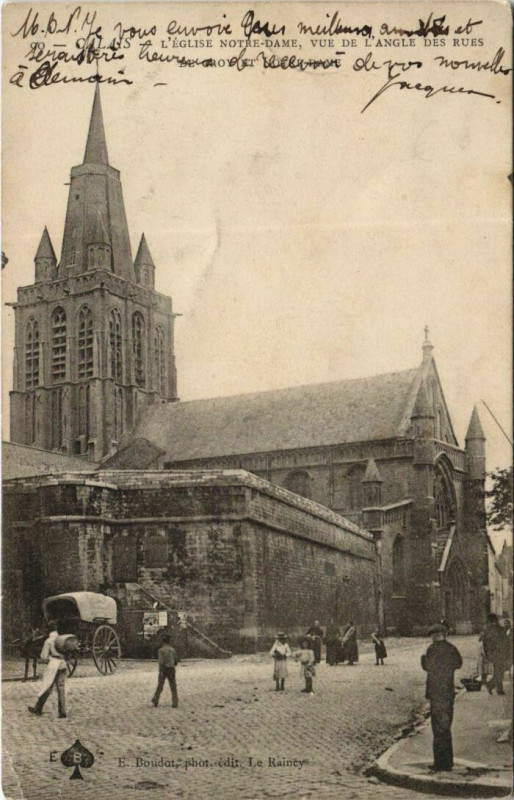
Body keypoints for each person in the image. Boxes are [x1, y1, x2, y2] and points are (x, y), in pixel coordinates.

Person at [421, 622, 462, 772]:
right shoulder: (451, 648)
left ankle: (441, 763)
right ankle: (448, 761)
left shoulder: (432, 649)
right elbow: (459, 664)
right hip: (448, 691)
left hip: (436, 692)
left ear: (434, 636)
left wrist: (423, 660)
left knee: (438, 728)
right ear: (444, 636)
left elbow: (428, 667)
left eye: (432, 636)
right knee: (446, 725)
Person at [28, 622, 67, 718]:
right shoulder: (62, 640)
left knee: (47, 686)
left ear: (48, 631)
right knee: (61, 688)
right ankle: (62, 711)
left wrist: (44, 659)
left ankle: (38, 708)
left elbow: (44, 656)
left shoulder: (48, 641)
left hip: (53, 665)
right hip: (62, 664)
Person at [482, 614, 508, 695]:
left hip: (491, 654)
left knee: (498, 671)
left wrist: (487, 654)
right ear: (496, 620)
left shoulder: (486, 630)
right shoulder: (501, 630)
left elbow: (484, 644)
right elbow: (506, 642)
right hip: (500, 653)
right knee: (499, 671)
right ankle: (492, 685)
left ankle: (497, 688)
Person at [152, 633, 179, 708]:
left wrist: (160, 671)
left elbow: (161, 662)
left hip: (164, 669)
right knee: (173, 686)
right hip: (171, 669)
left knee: (160, 685)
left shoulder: (161, 650)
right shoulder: (172, 650)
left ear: (163, 641)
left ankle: (155, 699)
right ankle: (175, 702)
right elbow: (176, 660)